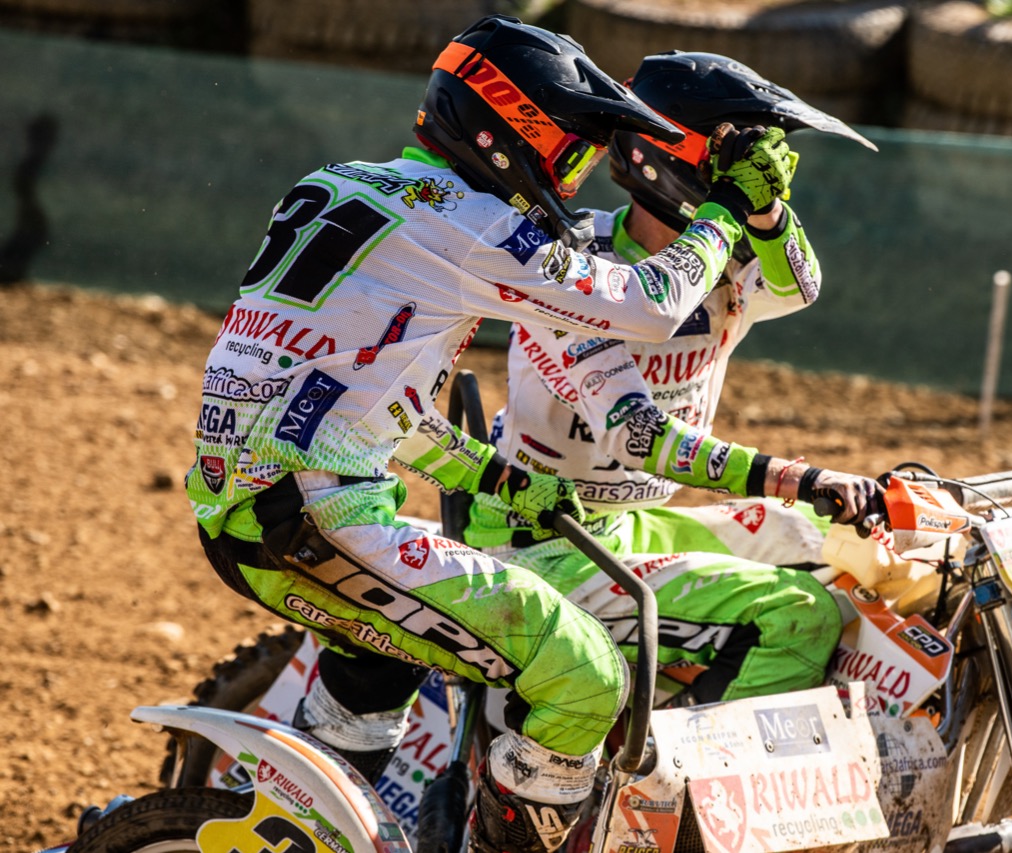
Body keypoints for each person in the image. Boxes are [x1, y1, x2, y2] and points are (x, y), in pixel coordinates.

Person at [186, 17, 799, 853]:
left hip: (259, 507)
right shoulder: (470, 221)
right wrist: (727, 211)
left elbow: (358, 402)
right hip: (312, 523)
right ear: (507, 131)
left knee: (382, 661)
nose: (572, 179)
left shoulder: (343, 185)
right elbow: (648, 305)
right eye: (568, 153)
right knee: (586, 673)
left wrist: (501, 479)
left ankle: (293, 822)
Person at [448, 51, 881, 711]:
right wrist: (799, 476)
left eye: (760, 161)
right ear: (668, 159)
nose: (751, 173)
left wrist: (766, 212)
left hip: (622, 525)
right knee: (801, 613)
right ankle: (675, 762)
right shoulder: (568, 266)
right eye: (734, 158)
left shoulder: (728, 268)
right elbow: (637, 437)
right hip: (541, 546)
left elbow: (800, 287)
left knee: (826, 542)